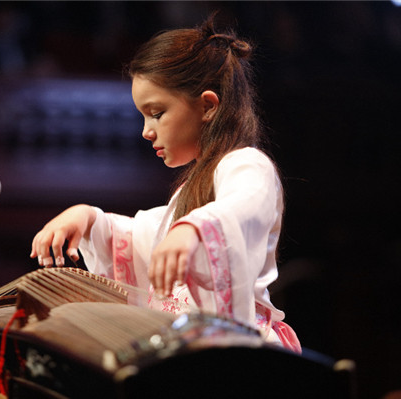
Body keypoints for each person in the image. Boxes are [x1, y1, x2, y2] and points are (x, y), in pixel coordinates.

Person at [30, 16, 301, 353]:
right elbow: (147, 236)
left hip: (241, 349)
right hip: (194, 348)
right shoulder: (191, 191)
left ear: (207, 106)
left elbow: (243, 205)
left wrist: (195, 229)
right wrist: (88, 218)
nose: (146, 130)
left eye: (156, 113)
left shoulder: (247, 164)